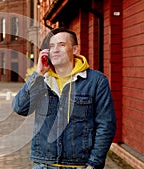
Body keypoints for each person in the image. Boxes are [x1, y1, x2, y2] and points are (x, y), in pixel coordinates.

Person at [12, 28, 116, 169]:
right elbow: (20, 108)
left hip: (79, 165)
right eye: (51, 46)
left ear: (74, 50)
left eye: (61, 44)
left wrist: (94, 164)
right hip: (43, 164)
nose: (55, 50)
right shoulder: (41, 80)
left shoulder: (96, 81)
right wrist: (38, 74)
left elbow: (106, 125)